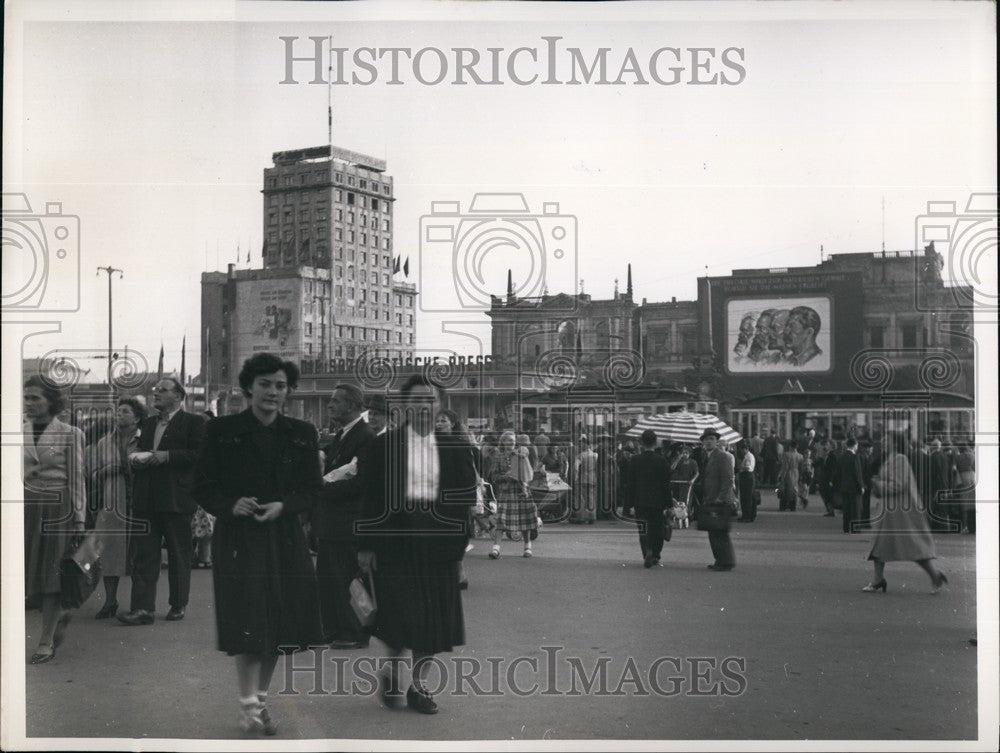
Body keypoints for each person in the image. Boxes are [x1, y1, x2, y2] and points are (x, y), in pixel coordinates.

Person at [193, 353, 325, 735]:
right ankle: (248, 706)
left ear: (289, 391)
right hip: (240, 537)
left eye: (280, 385)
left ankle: (258, 703)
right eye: (265, 384)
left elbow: (313, 491)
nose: (272, 392)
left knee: (280, 623)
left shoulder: (302, 433)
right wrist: (229, 505)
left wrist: (286, 505)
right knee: (249, 621)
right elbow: (202, 485)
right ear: (248, 387)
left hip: (284, 538)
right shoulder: (223, 431)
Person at [356, 376, 478, 714]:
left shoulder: (456, 447)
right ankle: (392, 671)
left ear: (439, 406)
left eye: (431, 400)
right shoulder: (384, 446)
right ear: (405, 406)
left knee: (432, 622)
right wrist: (366, 545)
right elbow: (371, 499)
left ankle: (419, 688)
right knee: (397, 615)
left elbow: (465, 498)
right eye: (417, 399)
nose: (424, 406)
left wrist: (459, 549)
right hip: (395, 542)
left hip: (439, 545)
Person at [118, 378, 206, 626]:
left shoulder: (194, 422)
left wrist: (167, 456)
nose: (156, 393)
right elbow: (142, 453)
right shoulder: (147, 423)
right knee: (144, 555)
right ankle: (142, 609)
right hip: (146, 498)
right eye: (155, 390)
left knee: (179, 554)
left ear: (179, 396)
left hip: (176, 498)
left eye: (163, 390)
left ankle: (178, 604)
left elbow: (200, 455)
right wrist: (135, 458)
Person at [23, 377, 87, 664]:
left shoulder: (69, 433)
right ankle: (58, 614)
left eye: (36, 398)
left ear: (51, 400)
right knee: (24, 574)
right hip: (23, 507)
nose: (29, 403)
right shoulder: (17, 431)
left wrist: (80, 520)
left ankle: (46, 640)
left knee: (51, 575)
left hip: (57, 509)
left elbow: (77, 480)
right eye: (26, 398)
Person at [315, 384, 377, 649]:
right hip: (334, 521)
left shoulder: (365, 437)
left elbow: (363, 483)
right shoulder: (342, 435)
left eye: (335, 401)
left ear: (352, 406)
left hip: (349, 521)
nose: (330, 405)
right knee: (330, 577)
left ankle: (355, 632)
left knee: (347, 578)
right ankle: (335, 629)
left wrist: (323, 488)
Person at [862, 432, 948, 594]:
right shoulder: (891, 460)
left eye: (887, 440)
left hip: (900, 514)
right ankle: (877, 580)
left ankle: (935, 575)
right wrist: (877, 486)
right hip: (890, 513)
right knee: (880, 546)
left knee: (913, 548)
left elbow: (898, 485)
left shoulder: (900, 459)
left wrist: (877, 484)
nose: (883, 442)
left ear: (895, 443)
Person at [88, 397, 146, 618]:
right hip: (112, 505)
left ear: (137, 418)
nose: (118, 415)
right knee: (109, 555)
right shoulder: (104, 443)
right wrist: (106, 471)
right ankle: (110, 601)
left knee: (139, 555)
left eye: (125, 412)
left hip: (140, 502)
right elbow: (93, 474)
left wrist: (129, 466)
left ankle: (138, 604)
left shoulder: (144, 440)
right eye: (118, 411)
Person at [625, 429, 672, 568]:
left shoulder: (635, 460)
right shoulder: (662, 460)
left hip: (640, 501)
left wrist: (628, 505)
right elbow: (666, 485)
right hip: (658, 502)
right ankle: (656, 555)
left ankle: (647, 551)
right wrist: (669, 504)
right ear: (655, 442)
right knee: (657, 529)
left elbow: (630, 484)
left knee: (643, 529)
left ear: (642, 442)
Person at [487, 430, 537, 558]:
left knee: (524, 519)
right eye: (509, 440)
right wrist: (505, 477)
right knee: (501, 521)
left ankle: (527, 546)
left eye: (514, 440)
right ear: (503, 442)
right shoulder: (498, 457)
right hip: (506, 492)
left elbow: (527, 468)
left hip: (521, 491)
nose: (512, 442)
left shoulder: (521, 453)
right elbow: (493, 476)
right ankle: (496, 549)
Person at [698, 428, 737, 572]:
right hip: (711, 499)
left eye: (711, 439)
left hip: (720, 500)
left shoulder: (722, 456)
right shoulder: (707, 456)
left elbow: (728, 479)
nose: (708, 441)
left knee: (719, 532)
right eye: (706, 439)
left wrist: (720, 498)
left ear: (716, 441)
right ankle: (721, 560)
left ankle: (725, 562)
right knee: (715, 532)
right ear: (702, 442)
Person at [834, 437, 865, 534]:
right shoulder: (855, 457)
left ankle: (846, 527)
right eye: (857, 445)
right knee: (856, 508)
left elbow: (837, 473)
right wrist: (861, 486)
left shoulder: (841, 457)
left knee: (846, 508)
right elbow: (857, 473)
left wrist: (839, 485)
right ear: (855, 445)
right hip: (854, 487)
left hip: (844, 486)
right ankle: (855, 528)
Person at [572, 436, 598, 524]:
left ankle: (581, 517)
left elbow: (576, 468)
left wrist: (575, 478)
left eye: (581, 444)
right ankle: (592, 517)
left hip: (582, 479)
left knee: (581, 498)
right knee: (591, 498)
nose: (580, 446)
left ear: (585, 445)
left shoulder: (580, 455)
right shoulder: (595, 455)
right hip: (592, 478)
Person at [955, 443, 976, 534]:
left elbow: (955, 469)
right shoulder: (972, 456)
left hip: (963, 480)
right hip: (972, 479)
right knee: (973, 505)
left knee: (964, 505)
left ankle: (965, 526)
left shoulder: (958, 458)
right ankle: (973, 526)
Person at [776, 441, 802, 512]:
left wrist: (781, 477)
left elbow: (785, 467)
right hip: (796, 473)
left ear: (790, 446)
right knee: (794, 489)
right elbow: (801, 467)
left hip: (788, 472)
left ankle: (783, 506)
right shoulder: (800, 456)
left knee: (785, 488)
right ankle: (793, 506)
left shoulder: (786, 455)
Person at [735, 441, 757, 522]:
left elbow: (747, 467)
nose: (741, 451)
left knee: (746, 497)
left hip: (747, 476)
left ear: (746, 449)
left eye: (742, 449)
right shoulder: (749, 456)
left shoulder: (748, 457)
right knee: (749, 496)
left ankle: (746, 516)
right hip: (749, 476)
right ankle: (749, 515)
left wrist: (741, 468)